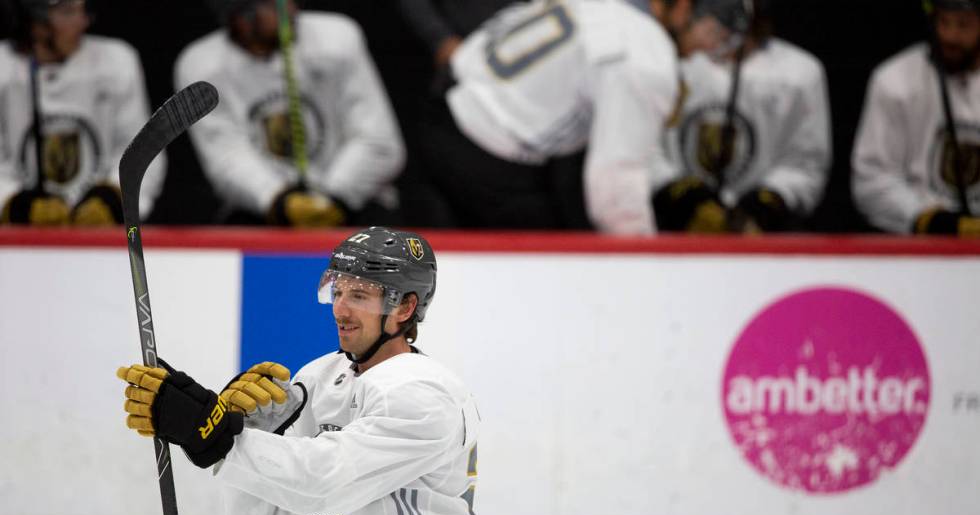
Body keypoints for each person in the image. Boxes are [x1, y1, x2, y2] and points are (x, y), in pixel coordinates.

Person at [116, 227, 499, 515]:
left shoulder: (425, 396)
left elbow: (325, 483)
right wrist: (243, 429)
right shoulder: (319, 377)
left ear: (405, 306)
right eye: (338, 290)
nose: (340, 308)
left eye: (361, 295)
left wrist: (211, 436)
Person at [417, 0, 730, 233]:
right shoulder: (645, 53)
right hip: (483, 145)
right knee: (556, 276)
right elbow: (615, 192)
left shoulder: (605, 8)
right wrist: (648, 269)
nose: (712, 46)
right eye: (714, 28)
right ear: (683, 8)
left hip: (444, 105)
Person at [174, 0, 406, 228]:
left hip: (354, 202)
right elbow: (225, 157)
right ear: (240, 16)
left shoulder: (338, 39)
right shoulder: (201, 66)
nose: (290, 9)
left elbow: (380, 142)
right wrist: (279, 200)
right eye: (273, 5)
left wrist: (334, 196)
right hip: (265, 211)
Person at [654, 0, 832, 233]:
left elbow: (805, 163)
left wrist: (767, 202)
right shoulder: (666, 63)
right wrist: (683, 197)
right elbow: (637, 148)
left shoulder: (800, 73)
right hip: (672, 233)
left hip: (763, 242)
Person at [0, 0, 164, 226]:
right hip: (16, 244)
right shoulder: (4, 67)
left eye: (83, 10)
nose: (82, 21)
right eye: (67, 11)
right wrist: (13, 205)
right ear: (34, 21)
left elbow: (145, 152)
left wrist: (114, 199)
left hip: (101, 237)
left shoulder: (116, 61)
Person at [852, 0, 980, 236]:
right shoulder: (894, 79)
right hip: (917, 244)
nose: (950, 36)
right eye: (944, 22)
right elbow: (871, 179)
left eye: (964, 25)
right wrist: (930, 220)